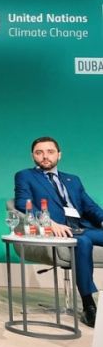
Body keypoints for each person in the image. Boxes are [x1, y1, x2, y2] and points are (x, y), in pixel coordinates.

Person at [14, 136, 103, 328]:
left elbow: (90, 206)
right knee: (82, 242)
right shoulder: (25, 176)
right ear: (33, 156)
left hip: (82, 227)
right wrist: (49, 223)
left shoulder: (73, 179)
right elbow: (22, 203)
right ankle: (89, 305)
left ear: (59, 155)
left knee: (83, 237)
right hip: (56, 229)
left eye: (50, 152)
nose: (45, 156)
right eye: (39, 152)